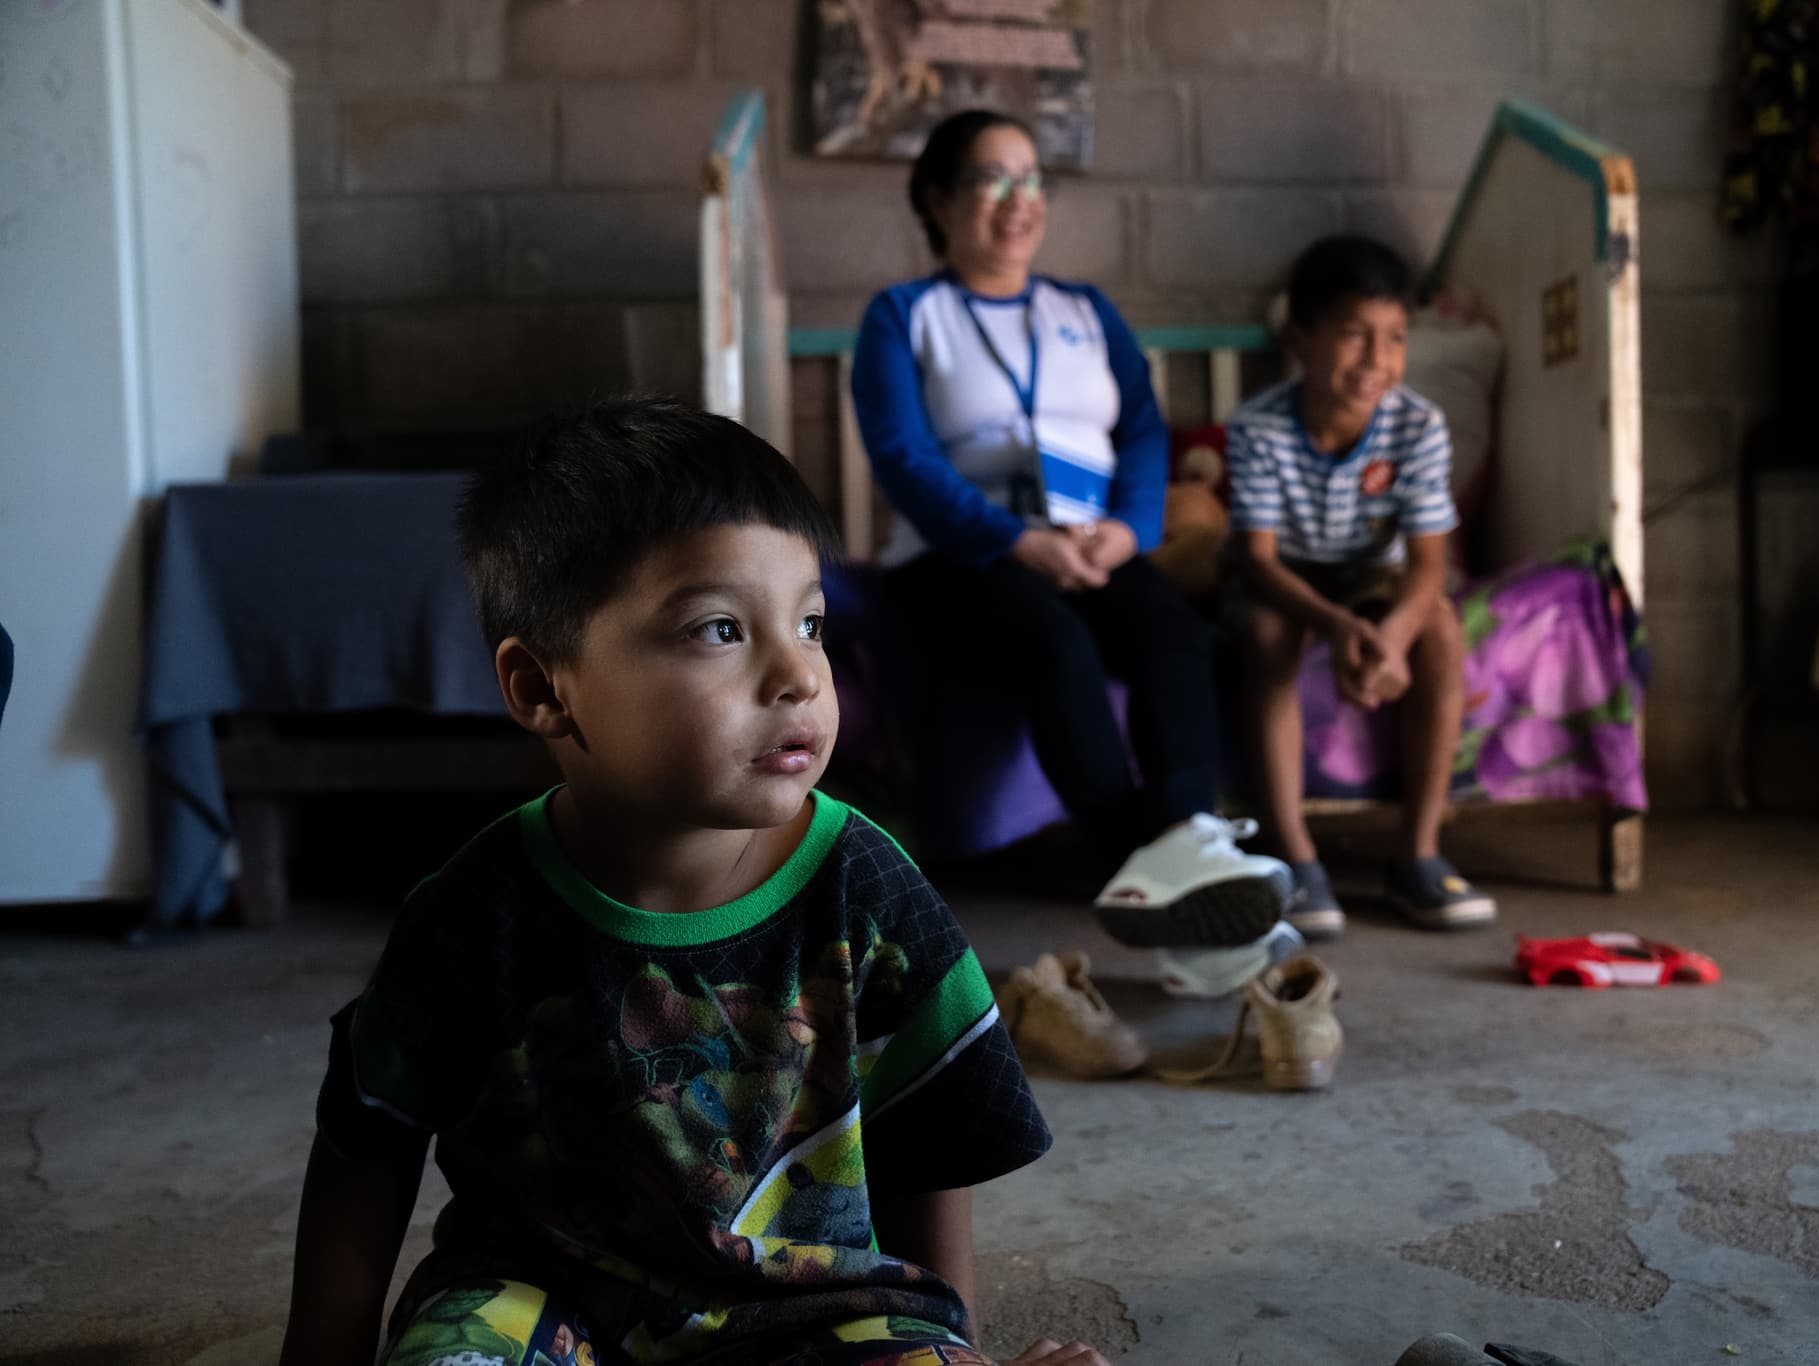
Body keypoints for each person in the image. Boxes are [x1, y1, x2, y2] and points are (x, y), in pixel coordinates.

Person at [278, 399, 1107, 1366]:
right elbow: (366, 1142)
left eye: (809, 621)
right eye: (719, 629)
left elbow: (935, 1133)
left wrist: (946, 1341)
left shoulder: (866, 883)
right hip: (542, 1302)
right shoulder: (472, 914)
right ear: (544, 688)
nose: (798, 673)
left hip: (814, 1302)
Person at [850, 108, 1289, 955]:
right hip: (960, 554)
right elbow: (902, 456)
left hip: (1091, 544)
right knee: (1053, 641)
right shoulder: (905, 315)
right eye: (992, 178)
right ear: (939, 201)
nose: (1019, 199)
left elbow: (1145, 432)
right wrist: (1014, 541)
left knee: (1175, 634)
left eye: (1031, 178)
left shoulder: (1084, 309)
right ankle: (1141, 858)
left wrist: (1129, 530)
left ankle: (1190, 836)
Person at [1226, 236, 1497, 936]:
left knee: (1439, 628)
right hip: (1284, 569)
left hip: (1374, 567)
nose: (1377, 360)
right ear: (1300, 340)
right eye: (1353, 336)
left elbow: (1428, 564)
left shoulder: (1417, 425)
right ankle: (1298, 859)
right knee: (1265, 635)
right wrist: (1341, 628)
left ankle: (1420, 854)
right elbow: (1257, 561)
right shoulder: (1258, 428)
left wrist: (1394, 635)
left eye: (1395, 338)